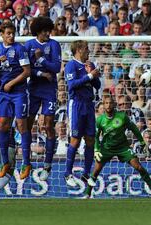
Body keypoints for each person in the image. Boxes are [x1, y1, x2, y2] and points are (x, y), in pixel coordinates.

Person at [0, 21, 32, 180]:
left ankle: (26, 162)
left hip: (19, 92)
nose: (11, 36)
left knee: (21, 125)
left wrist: (11, 83)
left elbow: (27, 72)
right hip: (4, 94)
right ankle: (5, 162)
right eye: (8, 33)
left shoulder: (20, 49)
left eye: (13, 33)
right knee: (3, 125)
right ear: (2, 34)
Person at [84, 95, 151, 198]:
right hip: (106, 148)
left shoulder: (122, 116)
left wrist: (142, 142)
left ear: (114, 104)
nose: (108, 105)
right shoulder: (100, 120)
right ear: (103, 105)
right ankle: (87, 194)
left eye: (110, 103)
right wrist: (97, 149)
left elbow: (134, 129)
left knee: (139, 167)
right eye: (106, 103)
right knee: (96, 170)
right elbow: (96, 137)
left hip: (123, 147)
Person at [24, 17, 62, 181]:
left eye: (49, 30)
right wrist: (40, 73)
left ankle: (47, 164)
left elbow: (56, 67)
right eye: (45, 30)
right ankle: (26, 162)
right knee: (27, 124)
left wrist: (40, 60)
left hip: (49, 89)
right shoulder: (29, 45)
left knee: (48, 125)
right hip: (33, 88)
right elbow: (25, 68)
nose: (48, 33)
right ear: (37, 31)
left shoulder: (54, 45)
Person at [64, 40, 101, 187]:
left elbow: (97, 85)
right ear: (79, 50)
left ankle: (86, 174)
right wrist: (90, 76)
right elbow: (71, 85)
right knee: (75, 140)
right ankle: (67, 173)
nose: (89, 51)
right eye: (86, 48)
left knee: (91, 139)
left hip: (89, 105)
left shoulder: (89, 65)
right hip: (77, 105)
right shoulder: (71, 65)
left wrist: (93, 74)